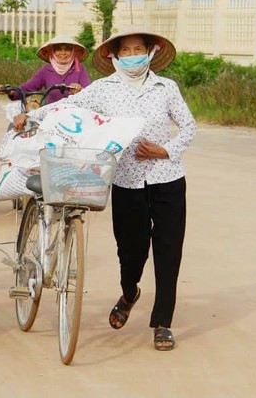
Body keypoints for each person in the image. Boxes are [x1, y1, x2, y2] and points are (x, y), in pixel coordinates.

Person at [14, 29, 195, 351]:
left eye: (139, 49)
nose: (132, 55)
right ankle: (129, 293)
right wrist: (30, 115)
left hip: (167, 178)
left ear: (151, 52)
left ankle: (162, 322)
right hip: (126, 181)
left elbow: (189, 126)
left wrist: (165, 150)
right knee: (130, 250)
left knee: (169, 251)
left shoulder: (166, 88)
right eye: (125, 50)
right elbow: (67, 106)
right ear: (113, 56)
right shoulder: (104, 89)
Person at [0, 34, 91, 104]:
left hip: (74, 114)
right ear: (53, 52)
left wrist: (80, 89)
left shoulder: (79, 69)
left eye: (67, 49)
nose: (63, 53)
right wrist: (10, 91)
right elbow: (27, 88)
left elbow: (90, 92)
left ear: (72, 51)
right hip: (50, 114)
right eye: (59, 49)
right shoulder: (46, 70)